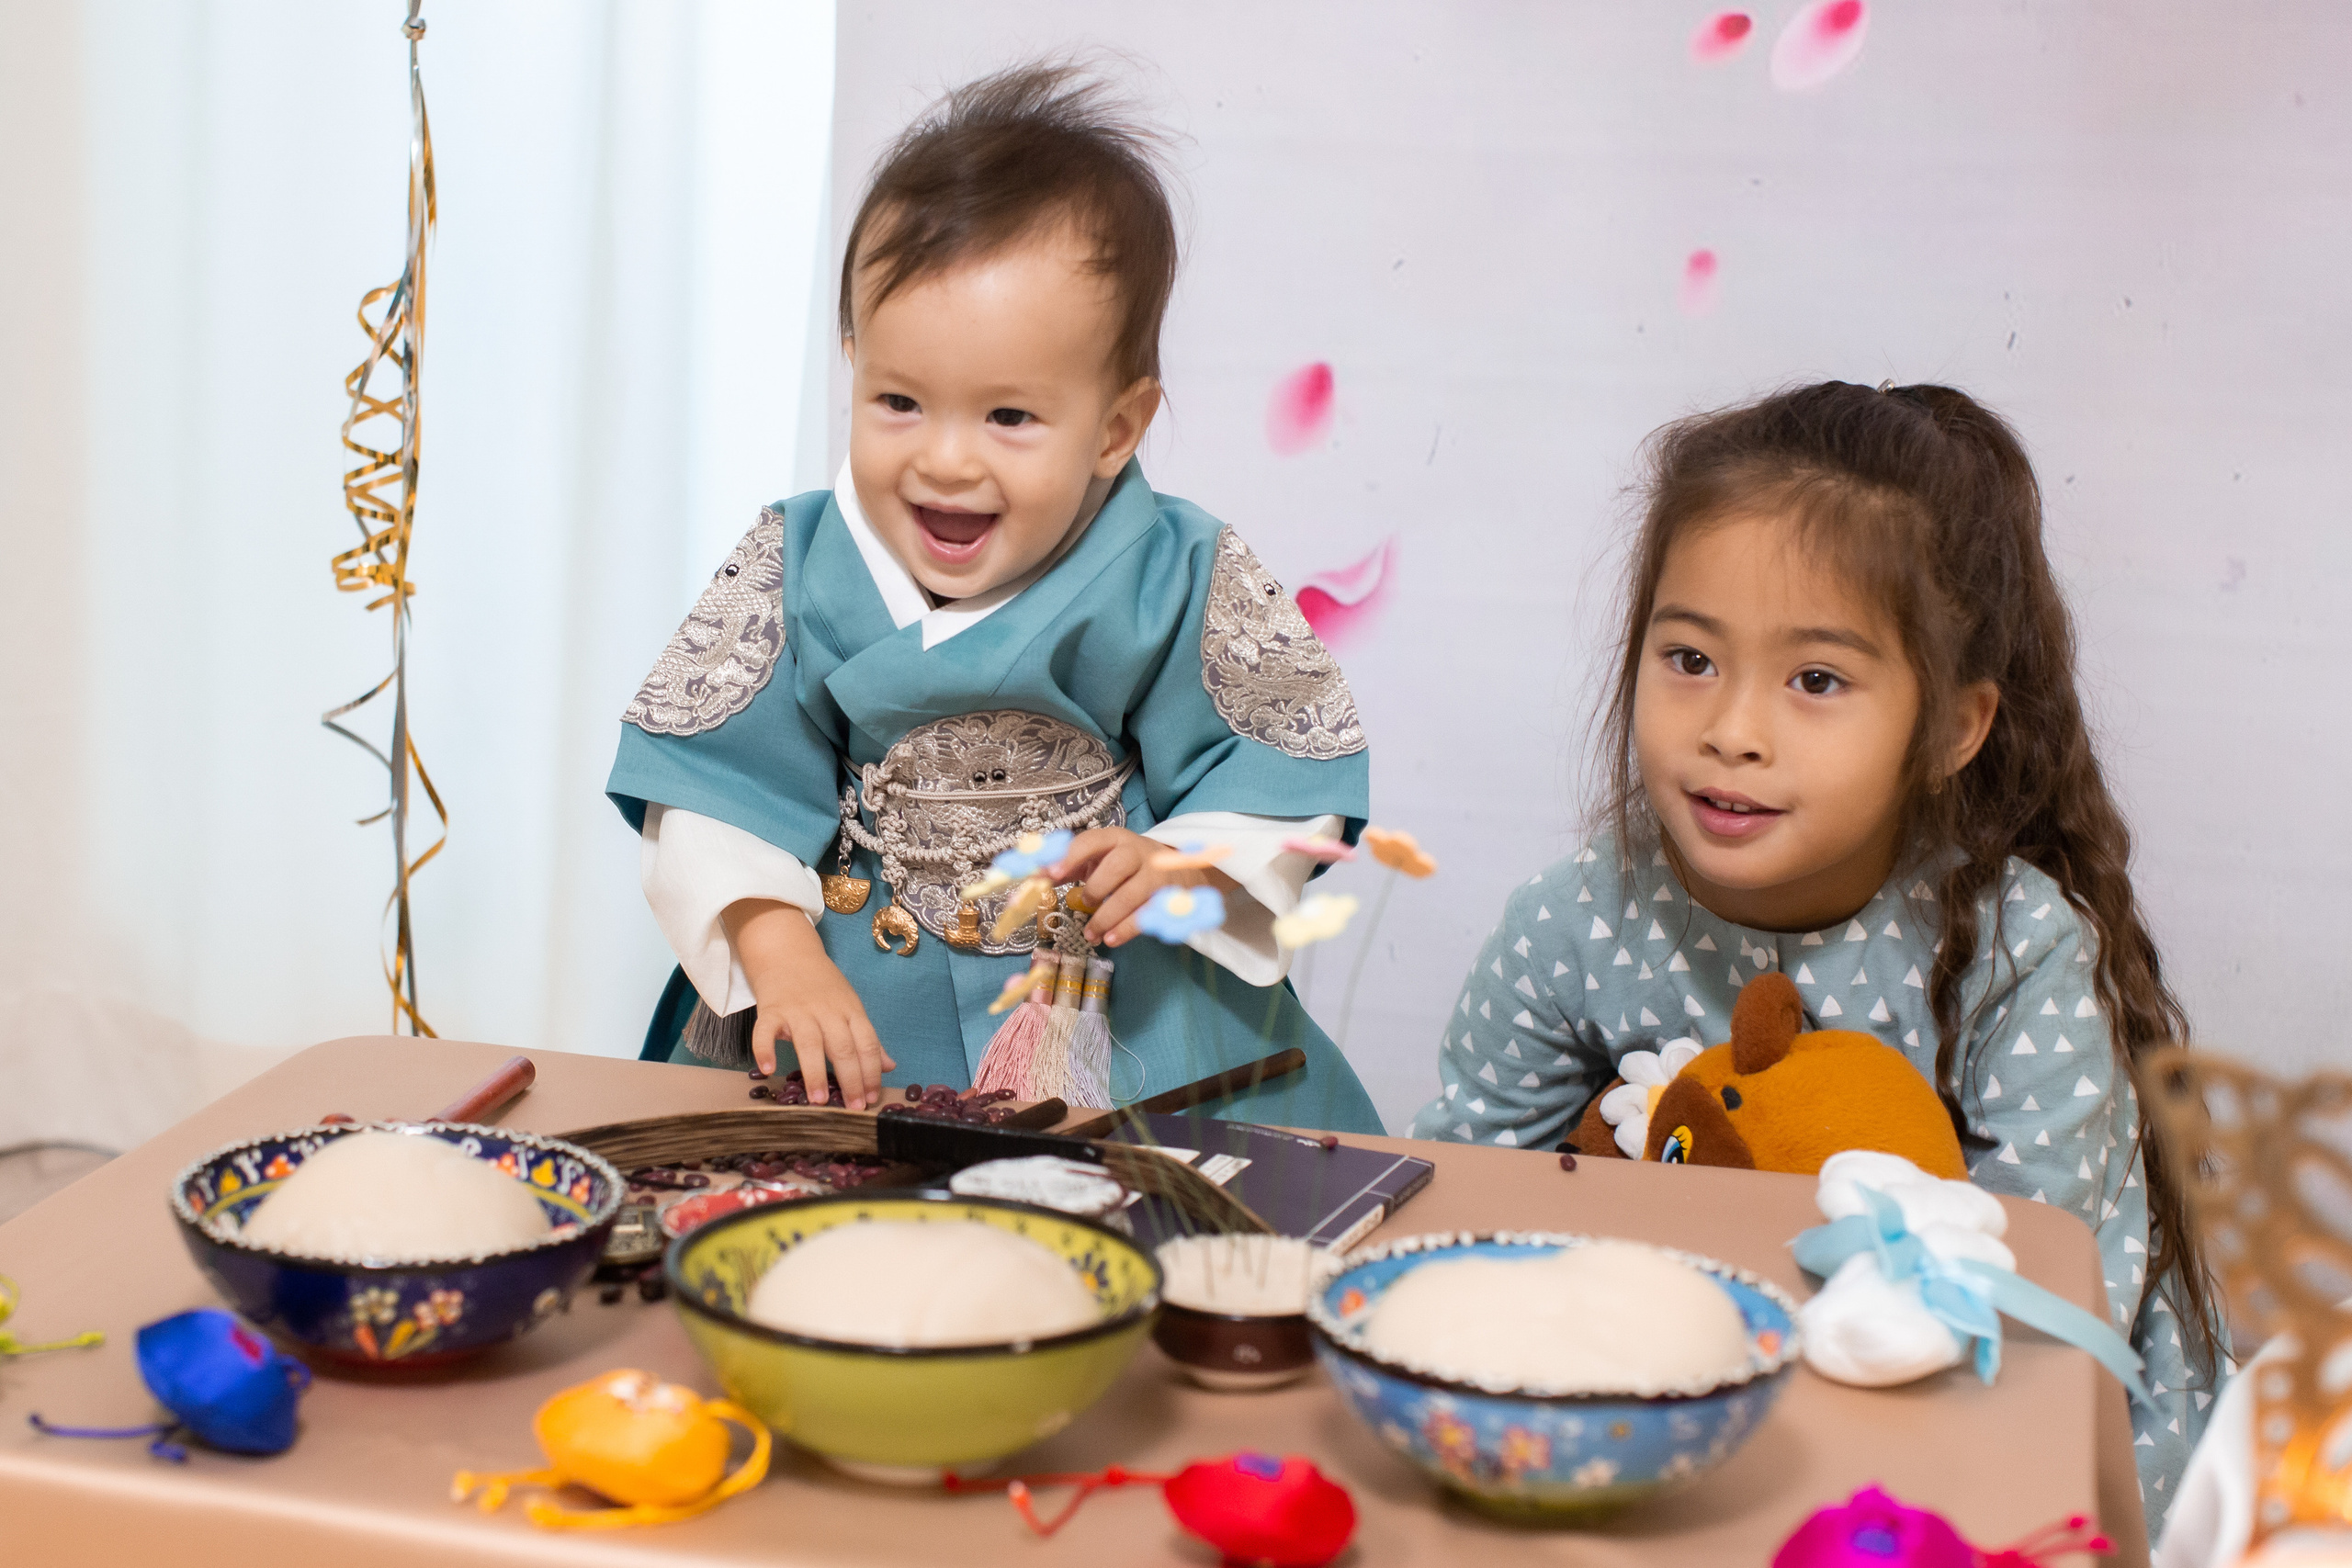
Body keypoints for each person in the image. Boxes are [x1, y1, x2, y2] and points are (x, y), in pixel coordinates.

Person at [1410, 380, 2220, 1517]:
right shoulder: (1575, 919)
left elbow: (2040, 1298)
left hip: (1981, 1407)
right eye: (1688, 658)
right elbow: (1460, 1198)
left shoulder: (2015, 948)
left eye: (1816, 681)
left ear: (1950, 727)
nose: (1732, 732)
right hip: (1675, 1391)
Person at [606, 63, 1381, 1134]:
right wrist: (778, 958)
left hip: (1109, 1004)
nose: (946, 461)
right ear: (851, 366)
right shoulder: (795, 562)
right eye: (897, 402)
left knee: (1139, 1225)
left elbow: (1277, 766)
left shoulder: (1177, 568)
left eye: (1010, 416)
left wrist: (1176, 860)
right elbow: (708, 785)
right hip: (853, 994)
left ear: (1117, 426)